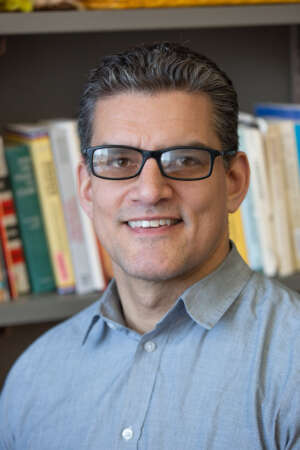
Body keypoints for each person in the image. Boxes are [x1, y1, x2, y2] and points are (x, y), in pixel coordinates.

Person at [0, 42, 299, 450]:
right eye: (119, 161)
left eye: (184, 159)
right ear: (87, 189)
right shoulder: (33, 377)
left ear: (234, 182)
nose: (150, 191)